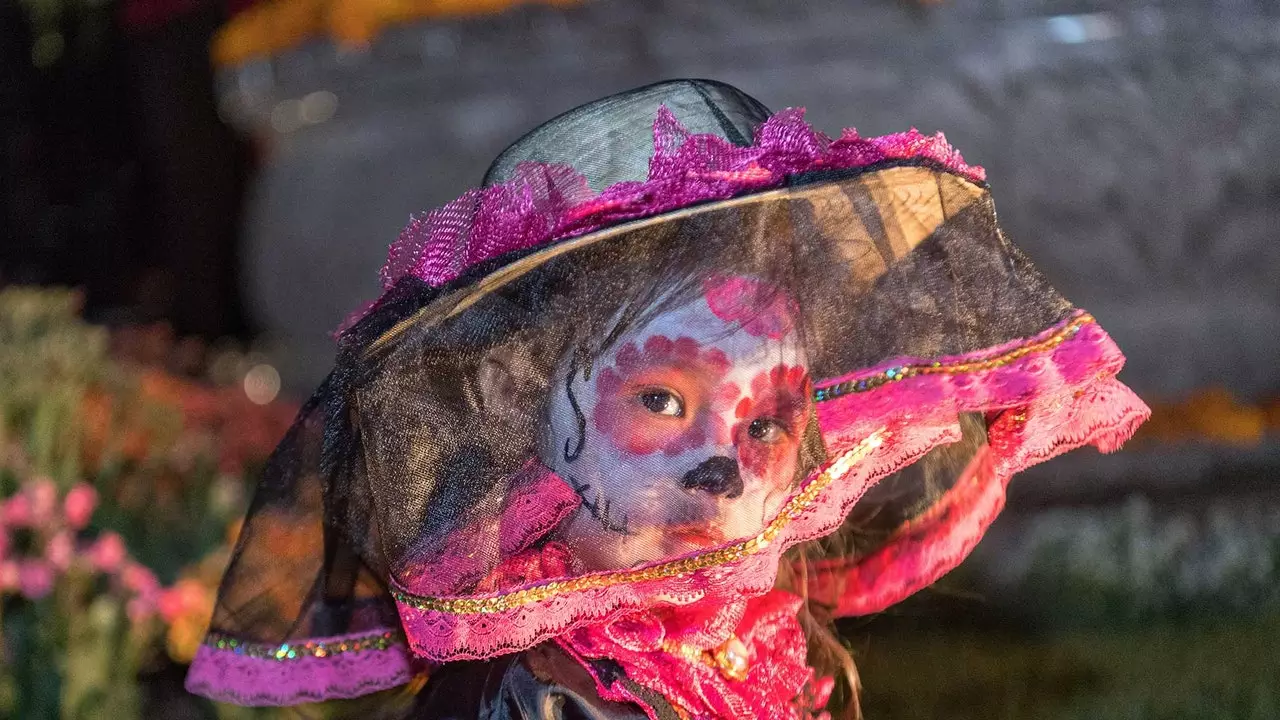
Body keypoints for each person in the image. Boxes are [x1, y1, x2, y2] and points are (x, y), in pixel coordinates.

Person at [185, 80, 1149, 719]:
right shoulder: (546, 688)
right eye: (660, 400)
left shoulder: (742, 650)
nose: (721, 467)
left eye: (767, 419)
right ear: (532, 422)